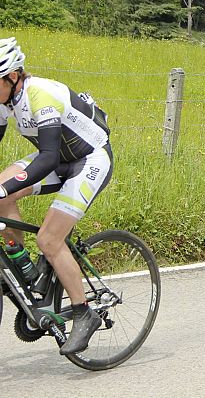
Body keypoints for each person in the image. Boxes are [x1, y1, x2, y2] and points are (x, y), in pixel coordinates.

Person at [0, 37, 113, 355]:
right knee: (1, 195)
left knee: (49, 239)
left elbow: (48, 157)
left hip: (89, 160)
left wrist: (6, 188)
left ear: (13, 76)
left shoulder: (41, 94)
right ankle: (23, 267)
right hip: (60, 160)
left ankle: (83, 313)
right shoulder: (5, 100)